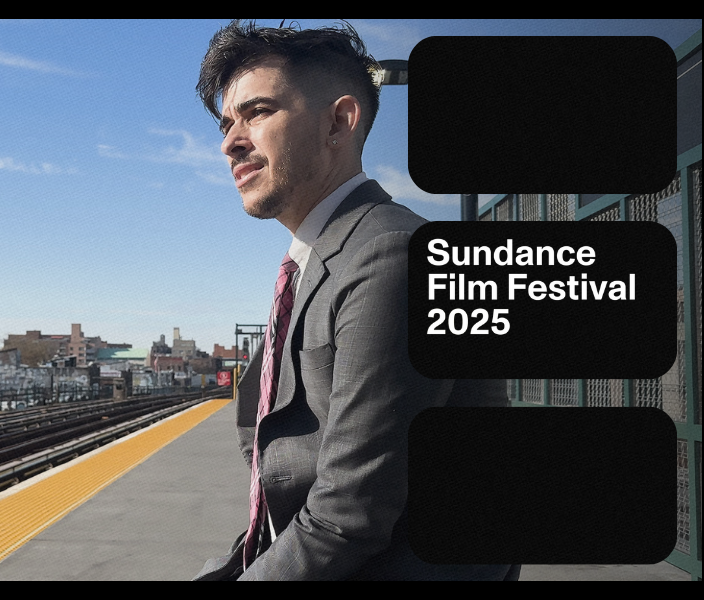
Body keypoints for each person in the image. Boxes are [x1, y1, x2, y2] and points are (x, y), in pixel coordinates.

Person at [193, 20, 519, 581]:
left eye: (259, 112)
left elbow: (349, 514)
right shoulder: (319, 262)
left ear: (340, 122)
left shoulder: (394, 255)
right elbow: (278, 473)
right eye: (227, 123)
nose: (230, 142)